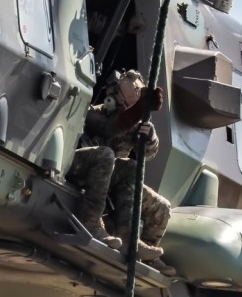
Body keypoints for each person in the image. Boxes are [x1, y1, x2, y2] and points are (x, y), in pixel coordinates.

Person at [68, 70, 171, 260]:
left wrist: (149, 137)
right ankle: (91, 224)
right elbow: (109, 128)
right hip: (77, 168)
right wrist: (138, 111)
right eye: (126, 101)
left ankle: (133, 243)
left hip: (106, 184)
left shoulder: (133, 125)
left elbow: (147, 155)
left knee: (133, 170)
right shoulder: (93, 113)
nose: (128, 108)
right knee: (106, 155)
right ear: (111, 99)